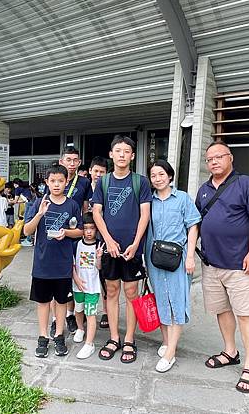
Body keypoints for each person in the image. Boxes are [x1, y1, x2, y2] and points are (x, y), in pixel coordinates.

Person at [196, 141, 249, 393]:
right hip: (211, 263)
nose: (214, 161)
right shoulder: (204, 190)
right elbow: (195, 222)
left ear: (230, 158)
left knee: (246, 313)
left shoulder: (246, 184)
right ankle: (230, 351)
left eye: (219, 157)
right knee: (222, 310)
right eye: (209, 159)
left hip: (239, 264)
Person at [92, 135, 152, 364]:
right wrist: (107, 240)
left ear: (132, 156)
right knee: (112, 291)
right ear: (111, 154)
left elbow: (145, 214)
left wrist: (136, 243)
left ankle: (129, 338)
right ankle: (114, 337)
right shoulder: (104, 182)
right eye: (118, 150)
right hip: (110, 249)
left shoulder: (140, 182)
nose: (122, 155)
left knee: (131, 293)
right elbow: (97, 212)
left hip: (132, 249)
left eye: (127, 151)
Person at [145, 160, 200, 373]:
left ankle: (171, 353)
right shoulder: (149, 202)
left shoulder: (183, 198)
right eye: (153, 175)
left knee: (177, 300)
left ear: (170, 176)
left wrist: (190, 258)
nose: (157, 179)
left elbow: (193, 226)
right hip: (155, 259)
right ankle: (166, 341)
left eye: (161, 174)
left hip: (179, 258)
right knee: (161, 300)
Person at [24, 164, 83, 358]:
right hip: (42, 263)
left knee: (61, 301)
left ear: (66, 182)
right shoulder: (39, 202)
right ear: (47, 182)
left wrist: (65, 232)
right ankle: (42, 337)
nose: (56, 184)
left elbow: (80, 231)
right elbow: (27, 231)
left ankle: (59, 335)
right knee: (43, 302)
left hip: (63, 264)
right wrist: (40, 213)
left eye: (60, 181)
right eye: (52, 181)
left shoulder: (72, 205)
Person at [48, 146, 93, 337]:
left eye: (75, 160)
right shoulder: (54, 179)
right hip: (53, 240)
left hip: (74, 237)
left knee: (72, 277)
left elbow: (85, 210)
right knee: (52, 280)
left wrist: (82, 233)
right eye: (68, 160)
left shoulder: (84, 182)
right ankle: (54, 320)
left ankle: (69, 315)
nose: (72, 163)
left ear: (79, 162)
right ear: (61, 161)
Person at [71, 212, 104, 359]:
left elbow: (99, 268)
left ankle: (89, 344)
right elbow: (71, 264)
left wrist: (99, 257)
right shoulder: (76, 245)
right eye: (86, 228)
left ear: (96, 229)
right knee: (78, 309)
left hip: (93, 287)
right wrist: (76, 279)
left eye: (92, 228)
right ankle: (80, 328)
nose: (89, 231)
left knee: (90, 314)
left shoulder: (99, 245)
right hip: (78, 285)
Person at [88, 156, 110, 328]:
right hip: (85, 239)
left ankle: (106, 312)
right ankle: (84, 312)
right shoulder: (83, 188)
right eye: (96, 171)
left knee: (104, 277)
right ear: (90, 171)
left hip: (102, 239)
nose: (98, 174)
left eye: (102, 172)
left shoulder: (108, 188)